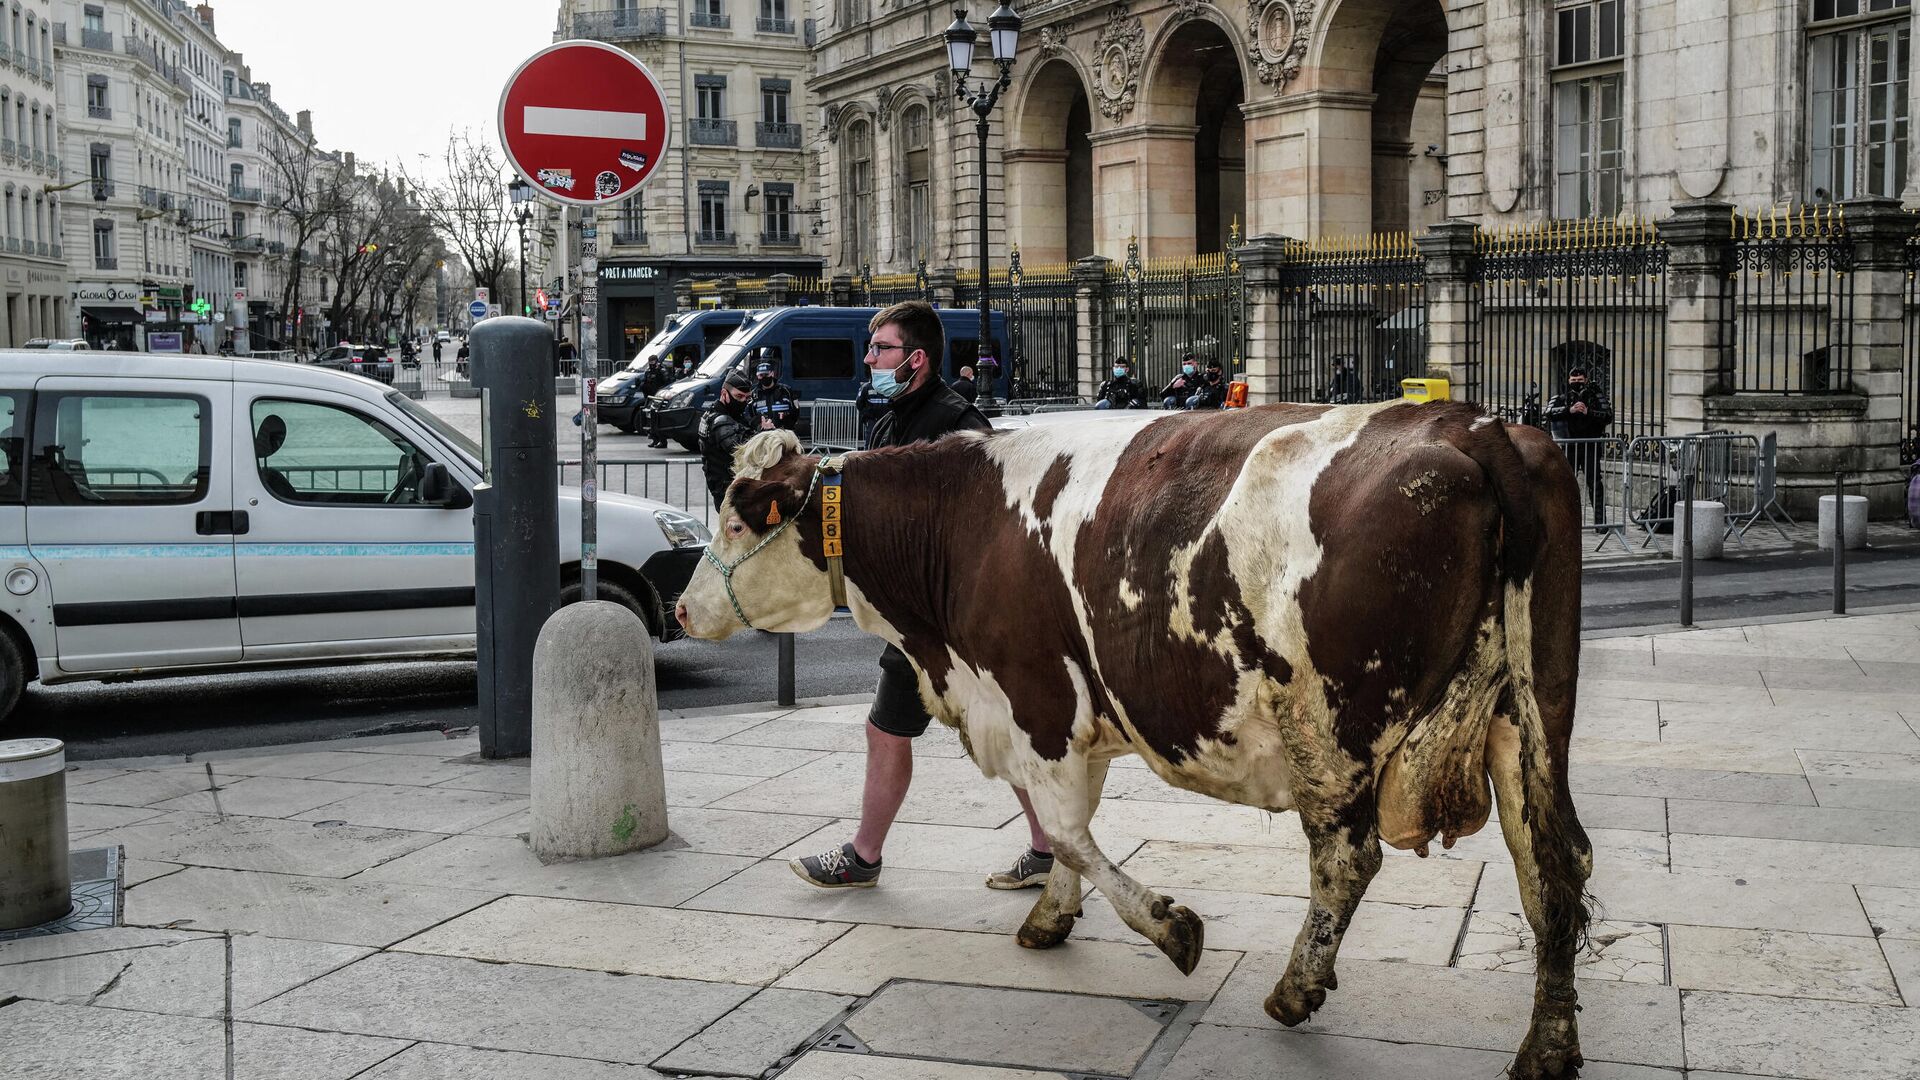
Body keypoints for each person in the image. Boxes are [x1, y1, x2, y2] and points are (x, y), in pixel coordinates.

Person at [791, 300, 1055, 891]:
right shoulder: (889, 420)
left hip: (945, 624)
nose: (869, 360)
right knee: (993, 734)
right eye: (871, 348)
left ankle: (863, 857)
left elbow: (984, 528)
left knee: (906, 731)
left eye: (880, 349)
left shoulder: (958, 424)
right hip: (914, 619)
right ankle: (1045, 850)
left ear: (916, 357)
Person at [1544, 366, 1614, 525]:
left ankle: (1600, 522)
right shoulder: (1562, 398)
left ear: (1586, 380)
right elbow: (1548, 413)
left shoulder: (1595, 397)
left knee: (1595, 483)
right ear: (1568, 381)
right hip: (1570, 446)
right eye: (1574, 380)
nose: (1576, 383)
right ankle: (1562, 519)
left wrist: (1588, 412)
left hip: (1591, 446)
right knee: (1564, 483)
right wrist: (1570, 410)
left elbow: (1608, 415)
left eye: (1580, 380)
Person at [698, 367, 757, 510]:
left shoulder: (725, 416)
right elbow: (740, 449)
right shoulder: (719, 420)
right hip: (728, 492)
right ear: (724, 394)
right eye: (739, 397)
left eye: (747, 398)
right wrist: (763, 433)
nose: (743, 401)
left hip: (731, 489)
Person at [749, 354, 798, 431]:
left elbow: (795, 413)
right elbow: (751, 417)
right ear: (757, 376)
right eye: (761, 375)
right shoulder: (754, 395)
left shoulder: (786, 390)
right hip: (764, 435)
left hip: (784, 433)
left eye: (766, 374)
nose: (764, 377)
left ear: (772, 373)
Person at [854, 377, 891, 447]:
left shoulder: (888, 387)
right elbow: (859, 403)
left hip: (886, 419)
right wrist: (867, 415)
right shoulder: (866, 387)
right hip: (872, 420)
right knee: (870, 440)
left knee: (887, 439)